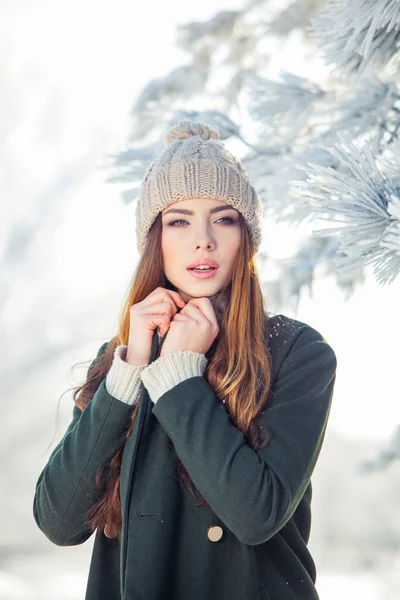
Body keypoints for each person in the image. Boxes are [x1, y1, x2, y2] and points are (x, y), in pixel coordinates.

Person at [33, 120, 337, 600]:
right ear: (155, 239)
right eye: (179, 220)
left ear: (246, 238)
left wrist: (179, 378)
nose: (203, 240)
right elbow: (59, 521)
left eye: (223, 218)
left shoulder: (297, 352)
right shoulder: (121, 359)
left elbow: (255, 515)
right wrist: (129, 372)